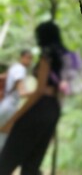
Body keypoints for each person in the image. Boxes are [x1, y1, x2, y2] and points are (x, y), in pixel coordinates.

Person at [0, 21, 67, 174]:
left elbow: (39, 91)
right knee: (32, 165)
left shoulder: (47, 56)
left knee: (6, 162)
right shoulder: (64, 58)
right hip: (53, 110)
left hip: (40, 109)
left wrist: (12, 120)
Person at [0, 50, 33, 151]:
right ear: (22, 57)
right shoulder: (20, 69)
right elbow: (22, 92)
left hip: (5, 104)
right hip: (9, 106)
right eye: (28, 58)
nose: (30, 62)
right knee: (3, 135)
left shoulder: (13, 68)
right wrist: (40, 92)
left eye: (31, 59)